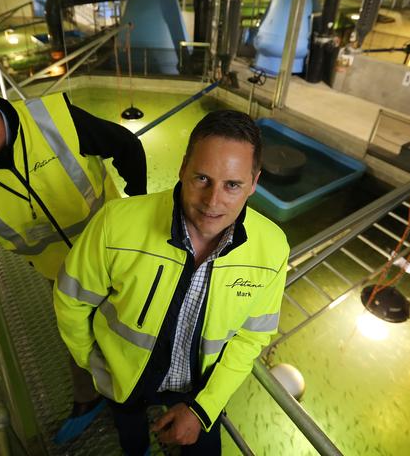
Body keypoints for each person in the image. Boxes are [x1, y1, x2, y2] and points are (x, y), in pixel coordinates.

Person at [0, 42, 147, 443]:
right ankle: (90, 399)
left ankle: (144, 405)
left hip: (121, 257)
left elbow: (127, 147)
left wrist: (139, 214)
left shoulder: (53, 120)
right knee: (78, 339)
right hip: (62, 278)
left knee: (139, 332)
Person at [54, 110, 288, 454]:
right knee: (133, 442)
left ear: (254, 183)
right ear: (182, 169)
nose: (213, 201)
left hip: (200, 388)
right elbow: (71, 302)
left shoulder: (271, 248)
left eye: (232, 185)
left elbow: (251, 338)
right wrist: (95, 366)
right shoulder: (115, 225)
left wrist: (204, 408)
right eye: (202, 179)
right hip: (123, 379)